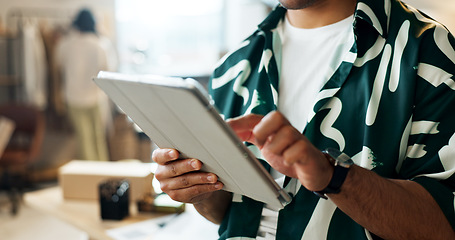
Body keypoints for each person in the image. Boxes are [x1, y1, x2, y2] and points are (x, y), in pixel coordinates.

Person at [152, 0, 455, 239]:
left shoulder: (429, 52)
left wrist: (333, 176)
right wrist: (198, 189)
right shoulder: (234, 67)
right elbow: (229, 213)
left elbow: (443, 227)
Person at [55, 8, 116, 161]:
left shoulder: (65, 44)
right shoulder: (101, 45)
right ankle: (101, 172)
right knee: (98, 137)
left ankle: (89, 174)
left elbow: (58, 66)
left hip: (73, 97)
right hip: (95, 96)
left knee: (84, 139)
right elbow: (109, 70)